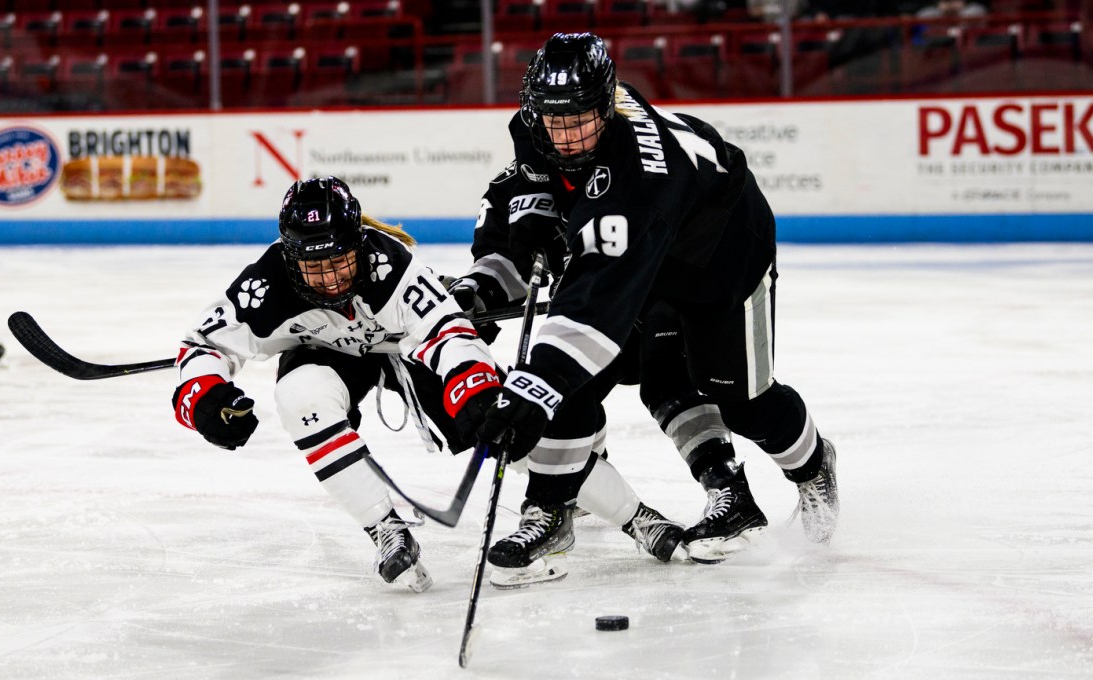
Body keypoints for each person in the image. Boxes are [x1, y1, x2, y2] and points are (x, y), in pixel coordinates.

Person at [466, 33, 840, 575]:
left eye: (581, 121)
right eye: (555, 120)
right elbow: (532, 176)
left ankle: (812, 465)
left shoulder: (638, 183)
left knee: (740, 398)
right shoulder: (541, 123)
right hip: (653, 246)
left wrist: (535, 384)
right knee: (590, 381)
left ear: (605, 108)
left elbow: (593, 300)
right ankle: (549, 510)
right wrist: (529, 225)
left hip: (722, 251)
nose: (566, 137)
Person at [171, 176, 505, 593]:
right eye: (313, 266)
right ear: (291, 258)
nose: (329, 280)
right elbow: (201, 343)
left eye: (339, 261)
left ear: (359, 242)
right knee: (299, 398)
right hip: (326, 353)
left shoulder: (389, 264)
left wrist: (472, 380)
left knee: (506, 419)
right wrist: (202, 394)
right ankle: (386, 528)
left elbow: (445, 332)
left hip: (405, 351)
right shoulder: (268, 282)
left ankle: (558, 494)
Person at [457, 164, 763, 567]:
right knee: (551, 393)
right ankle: (553, 504)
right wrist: (477, 290)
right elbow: (501, 259)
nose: (564, 132)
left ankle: (727, 487)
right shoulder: (510, 186)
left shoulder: (625, 152)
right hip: (588, 309)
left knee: (665, 377)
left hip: (659, 290)